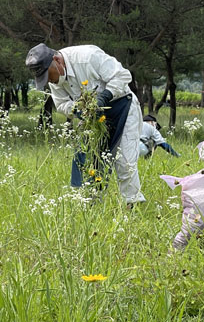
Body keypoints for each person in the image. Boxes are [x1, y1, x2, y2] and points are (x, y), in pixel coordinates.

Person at [26, 43, 146, 206]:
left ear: (56, 60)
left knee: (124, 161)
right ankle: (91, 205)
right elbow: (61, 104)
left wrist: (105, 96)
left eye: (48, 75)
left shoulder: (87, 57)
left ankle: (132, 205)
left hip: (122, 106)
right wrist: (77, 110)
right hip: (92, 117)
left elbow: (123, 76)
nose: (50, 81)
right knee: (88, 160)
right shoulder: (55, 80)